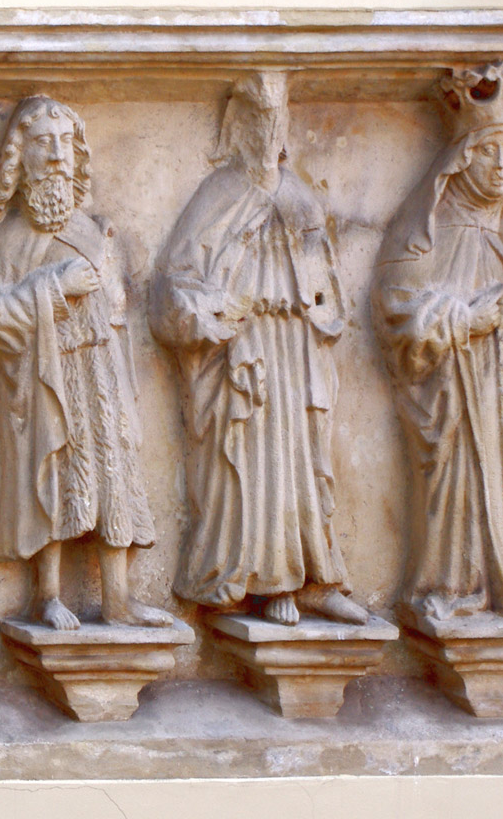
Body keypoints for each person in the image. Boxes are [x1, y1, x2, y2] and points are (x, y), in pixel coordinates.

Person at [150, 72, 368, 626]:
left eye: (278, 119)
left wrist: (320, 306)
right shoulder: (219, 193)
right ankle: (267, 580)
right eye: (258, 119)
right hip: (242, 352)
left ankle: (315, 578)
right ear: (239, 126)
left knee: (305, 464)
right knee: (254, 463)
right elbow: (174, 283)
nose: (269, 132)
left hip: (297, 348)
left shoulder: (300, 198)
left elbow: (327, 283)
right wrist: (215, 311)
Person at [372, 62, 503, 623]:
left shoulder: (501, 235)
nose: (502, 164)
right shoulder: (425, 229)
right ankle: (453, 584)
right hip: (454, 402)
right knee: (459, 482)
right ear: (462, 158)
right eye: (489, 151)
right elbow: (396, 314)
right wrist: (465, 319)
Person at [0, 95, 172, 631]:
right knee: (55, 470)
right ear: (21, 158)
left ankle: (119, 599)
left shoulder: (93, 229)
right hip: (50, 377)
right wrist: (54, 286)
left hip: (101, 373)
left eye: (64, 143)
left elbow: (118, 310)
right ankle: (48, 595)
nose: (57, 154)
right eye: (43, 143)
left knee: (113, 471)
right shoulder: (12, 238)